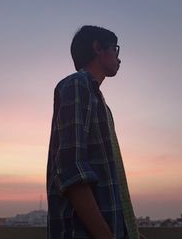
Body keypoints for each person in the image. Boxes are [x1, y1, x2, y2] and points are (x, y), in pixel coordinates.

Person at [47, 25, 143, 238]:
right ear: (98, 48)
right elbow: (73, 172)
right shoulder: (76, 85)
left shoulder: (99, 102)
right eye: (116, 50)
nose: (119, 59)